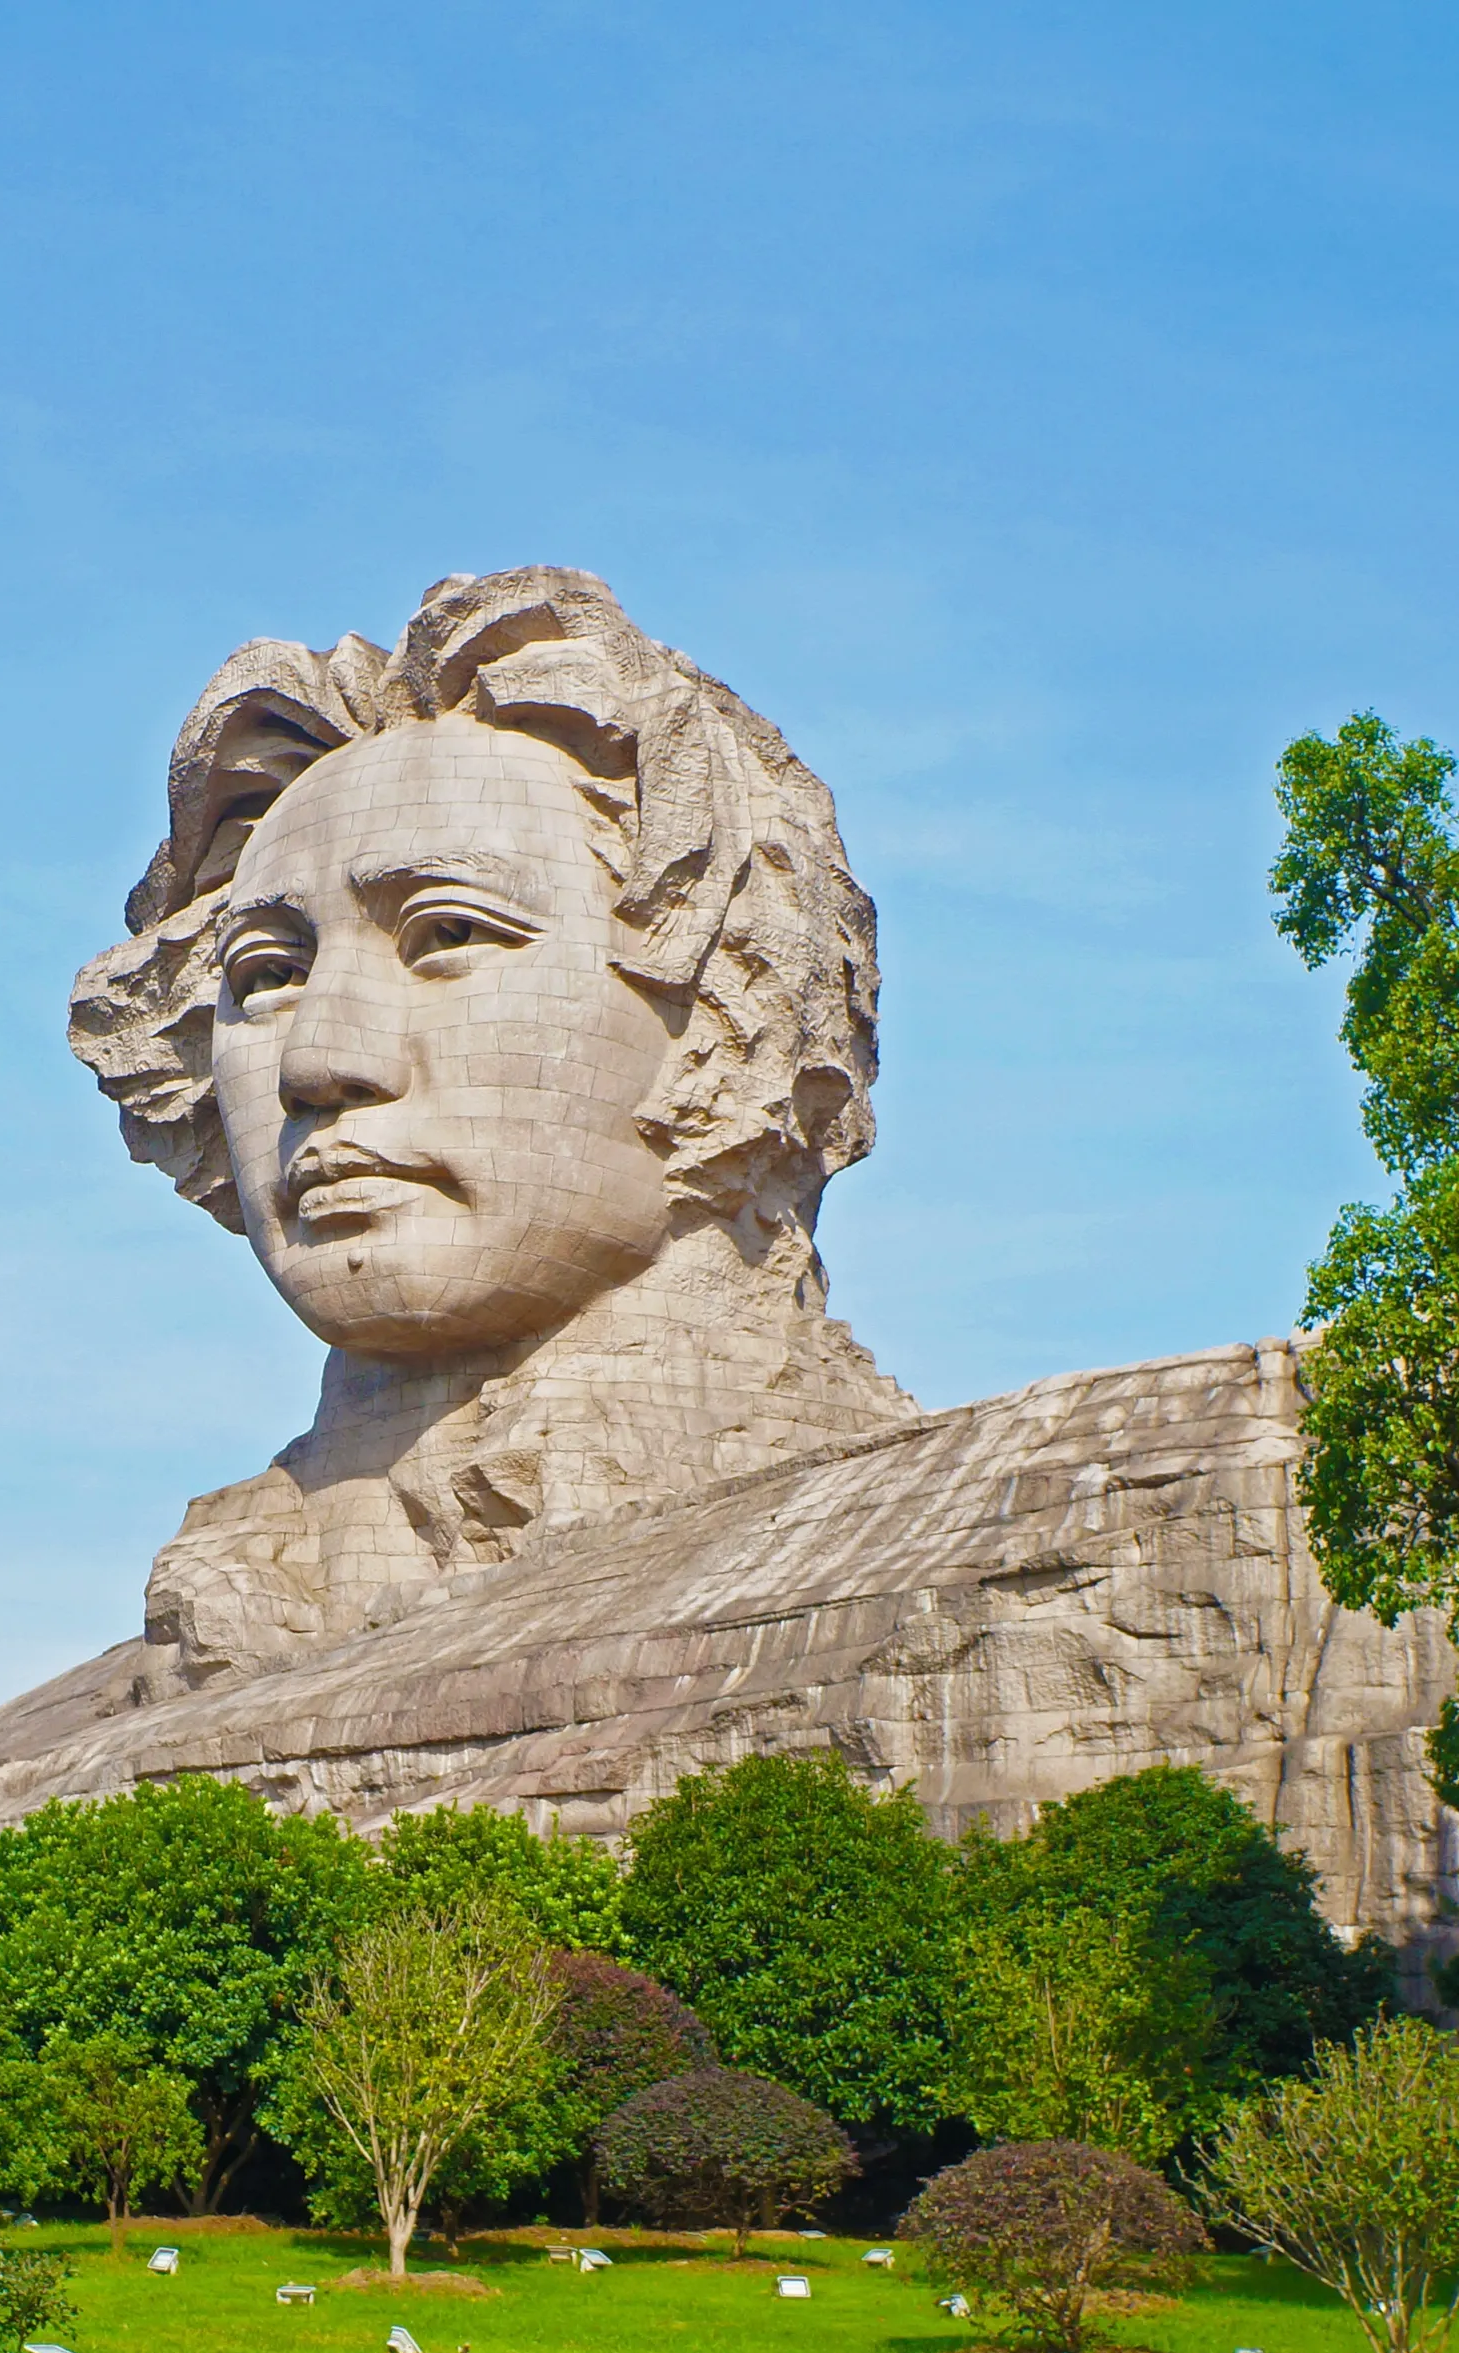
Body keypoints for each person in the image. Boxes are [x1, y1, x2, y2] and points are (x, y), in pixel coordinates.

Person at [72, 569, 911, 1672]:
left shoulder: (988, 1567)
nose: (319, 1062)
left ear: (732, 1001)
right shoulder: (34, 1752)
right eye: (268, 975)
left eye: (449, 935)